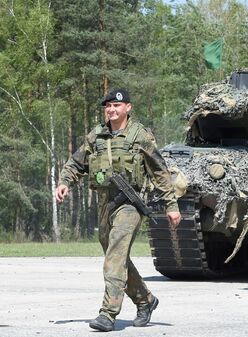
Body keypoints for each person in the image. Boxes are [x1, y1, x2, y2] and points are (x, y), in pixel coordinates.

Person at [54, 88, 182, 332]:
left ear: (128, 108)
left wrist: (172, 205)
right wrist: (64, 182)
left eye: (117, 106)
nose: (112, 110)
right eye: (108, 106)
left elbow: (160, 172)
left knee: (114, 257)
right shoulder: (97, 135)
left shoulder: (140, 136)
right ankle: (146, 300)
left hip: (129, 205)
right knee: (116, 256)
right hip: (106, 204)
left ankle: (108, 313)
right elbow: (76, 162)